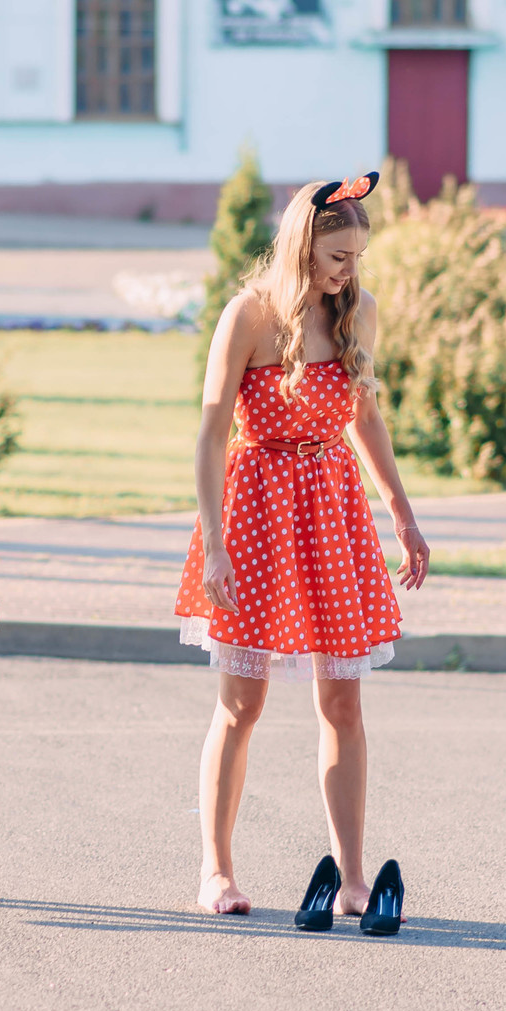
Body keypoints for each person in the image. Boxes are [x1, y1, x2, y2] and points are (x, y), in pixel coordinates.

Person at [175, 173, 430, 930]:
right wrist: (214, 542)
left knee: (342, 700)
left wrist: (404, 517)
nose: (348, 270)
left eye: (356, 255)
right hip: (254, 513)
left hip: (332, 512)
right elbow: (212, 432)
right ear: (302, 244)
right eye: (337, 256)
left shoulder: (360, 313)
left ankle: (352, 877)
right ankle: (215, 868)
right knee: (242, 702)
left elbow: (368, 419)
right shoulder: (248, 315)